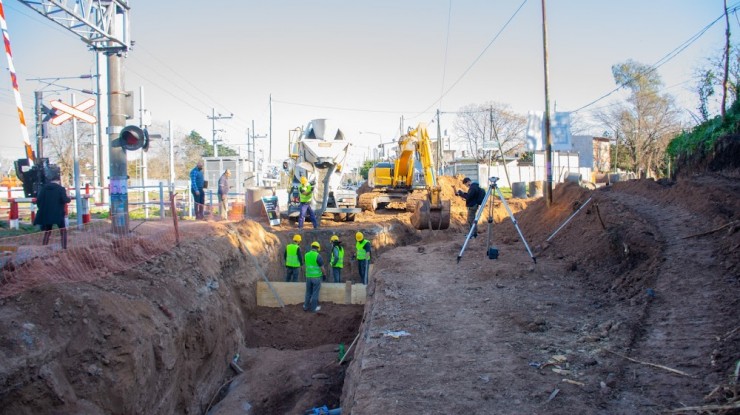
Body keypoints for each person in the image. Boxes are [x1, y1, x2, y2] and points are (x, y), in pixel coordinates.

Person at [34, 168, 71, 249]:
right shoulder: (60, 189)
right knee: (63, 230)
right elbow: (65, 200)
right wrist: (69, 198)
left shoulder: (44, 189)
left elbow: (39, 201)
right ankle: (64, 247)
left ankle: (44, 247)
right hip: (58, 213)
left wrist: (44, 209)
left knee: (47, 231)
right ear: (58, 180)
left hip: (47, 213)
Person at [303, 241, 326, 313]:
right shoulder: (318, 256)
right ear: (318, 248)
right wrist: (324, 274)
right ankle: (313, 308)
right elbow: (322, 267)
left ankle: (306, 306)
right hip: (316, 277)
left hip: (308, 276)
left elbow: (305, 265)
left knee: (308, 292)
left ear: (311, 247)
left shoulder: (306, 255)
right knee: (315, 293)